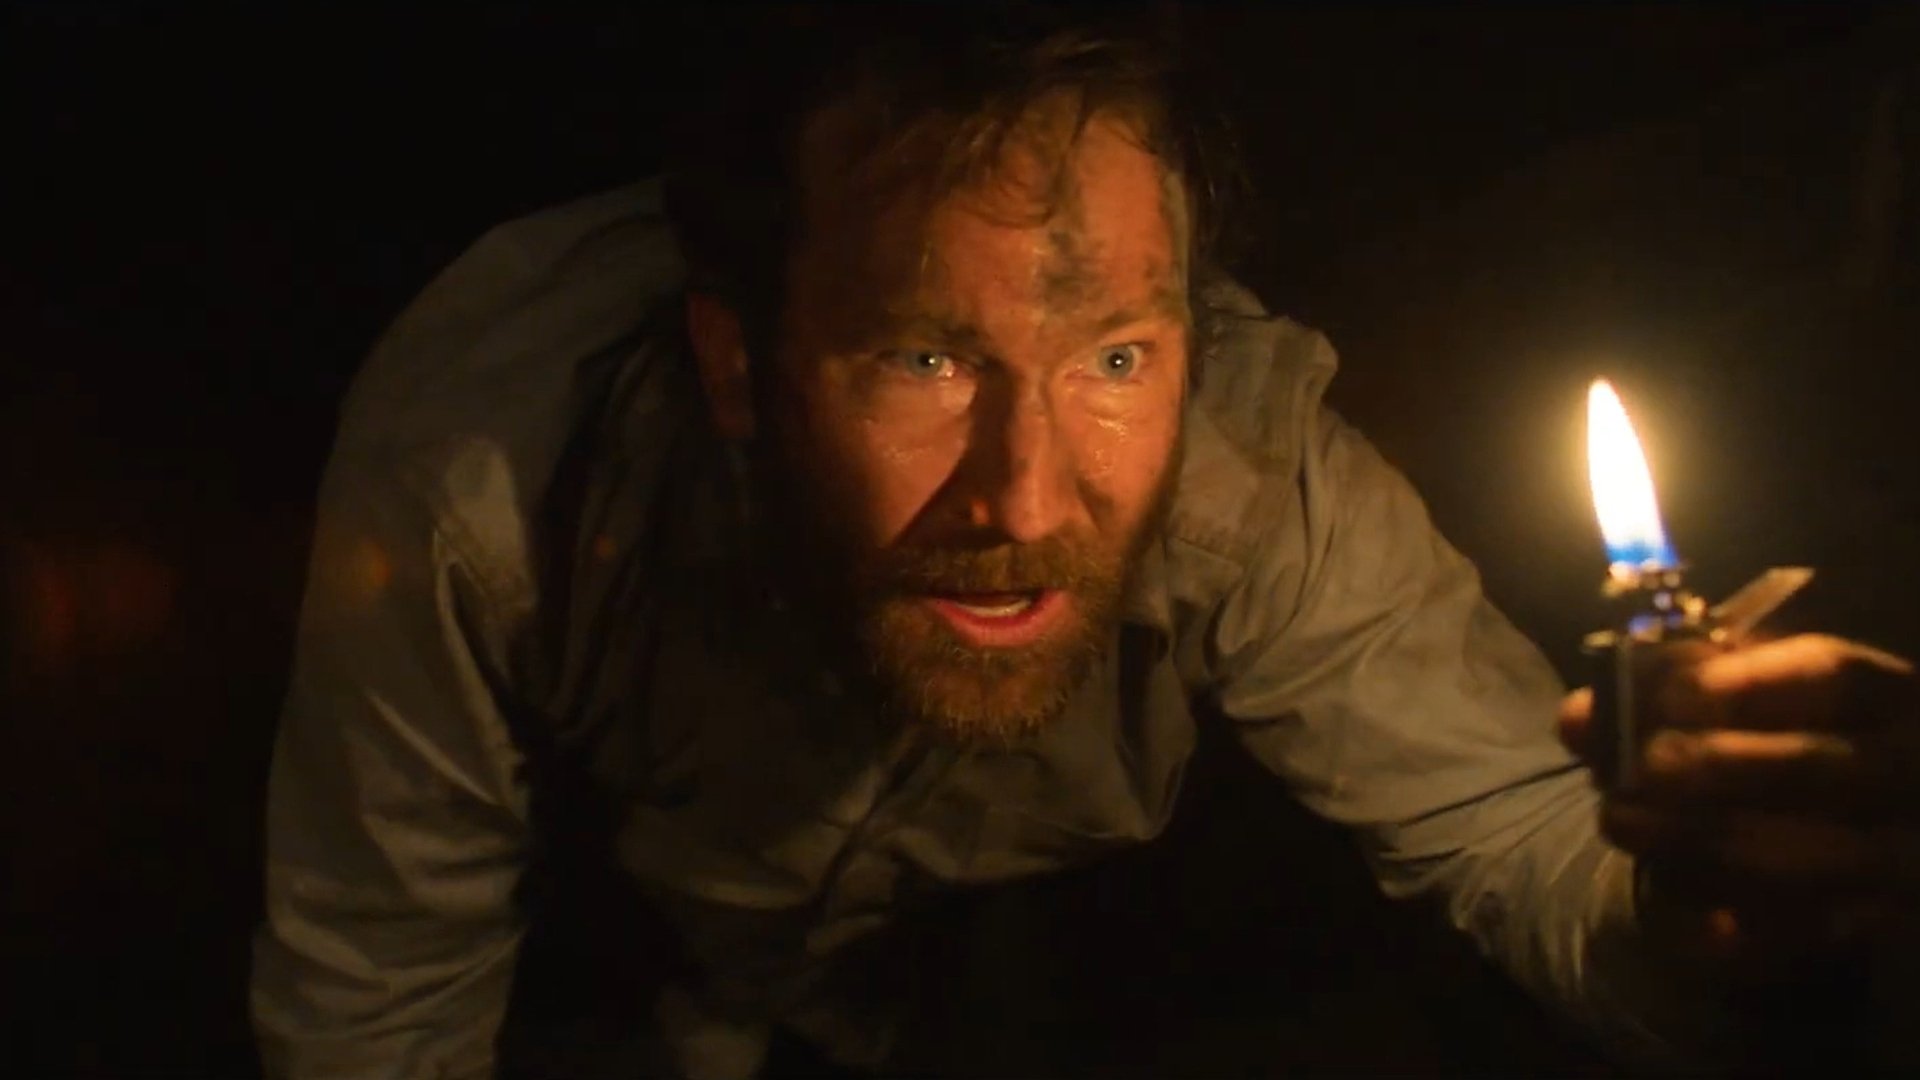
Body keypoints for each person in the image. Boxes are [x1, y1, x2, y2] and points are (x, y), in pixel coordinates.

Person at [250, 7, 1918, 1077]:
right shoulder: (493, 479)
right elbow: (377, 1001)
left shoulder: (1248, 472)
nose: (1030, 501)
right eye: (925, 358)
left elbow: (1518, 835)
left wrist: (1713, 925)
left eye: (1116, 356)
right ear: (738, 367)